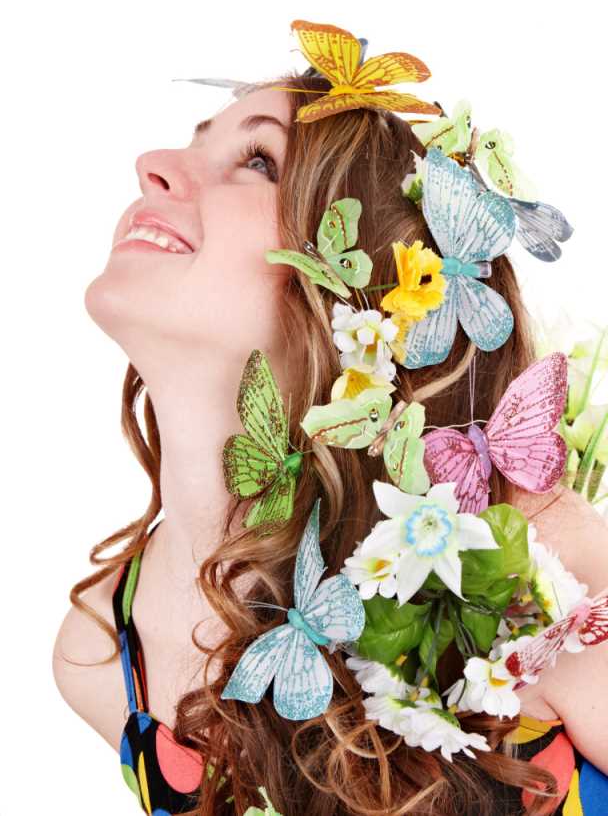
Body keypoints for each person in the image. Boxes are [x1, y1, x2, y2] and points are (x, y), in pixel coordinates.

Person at [52, 48, 608, 816]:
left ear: (374, 284)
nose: (154, 163)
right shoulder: (103, 650)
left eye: (255, 160)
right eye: (192, 141)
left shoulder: (535, 575)